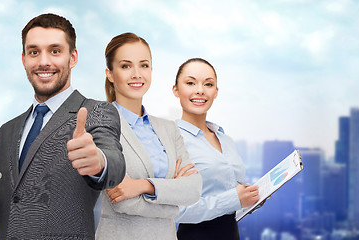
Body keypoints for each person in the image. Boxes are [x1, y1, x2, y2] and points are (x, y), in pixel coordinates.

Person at [0, 13, 126, 239]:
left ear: (73, 57)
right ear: (24, 59)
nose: (43, 61)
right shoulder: (7, 132)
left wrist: (98, 161)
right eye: (34, 52)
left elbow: (114, 164)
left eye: (55, 51)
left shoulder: (95, 112)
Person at [94, 32, 202, 240]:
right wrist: (174, 203)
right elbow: (122, 201)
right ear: (110, 73)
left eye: (144, 65)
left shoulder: (168, 129)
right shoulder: (101, 126)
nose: (137, 74)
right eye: (126, 66)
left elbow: (193, 189)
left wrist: (143, 185)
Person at [172, 58, 259, 240]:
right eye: (190, 83)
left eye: (208, 84)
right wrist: (234, 199)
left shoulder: (224, 138)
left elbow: (229, 192)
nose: (200, 90)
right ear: (176, 90)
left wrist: (249, 198)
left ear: (216, 92)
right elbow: (176, 210)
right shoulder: (172, 139)